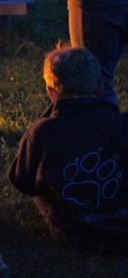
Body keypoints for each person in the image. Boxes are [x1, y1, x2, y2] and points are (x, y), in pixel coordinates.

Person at [8, 47, 128, 252]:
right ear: (100, 86)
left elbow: (22, 181)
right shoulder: (120, 123)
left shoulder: (42, 132)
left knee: (39, 179)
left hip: (75, 234)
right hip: (123, 227)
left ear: (51, 92)